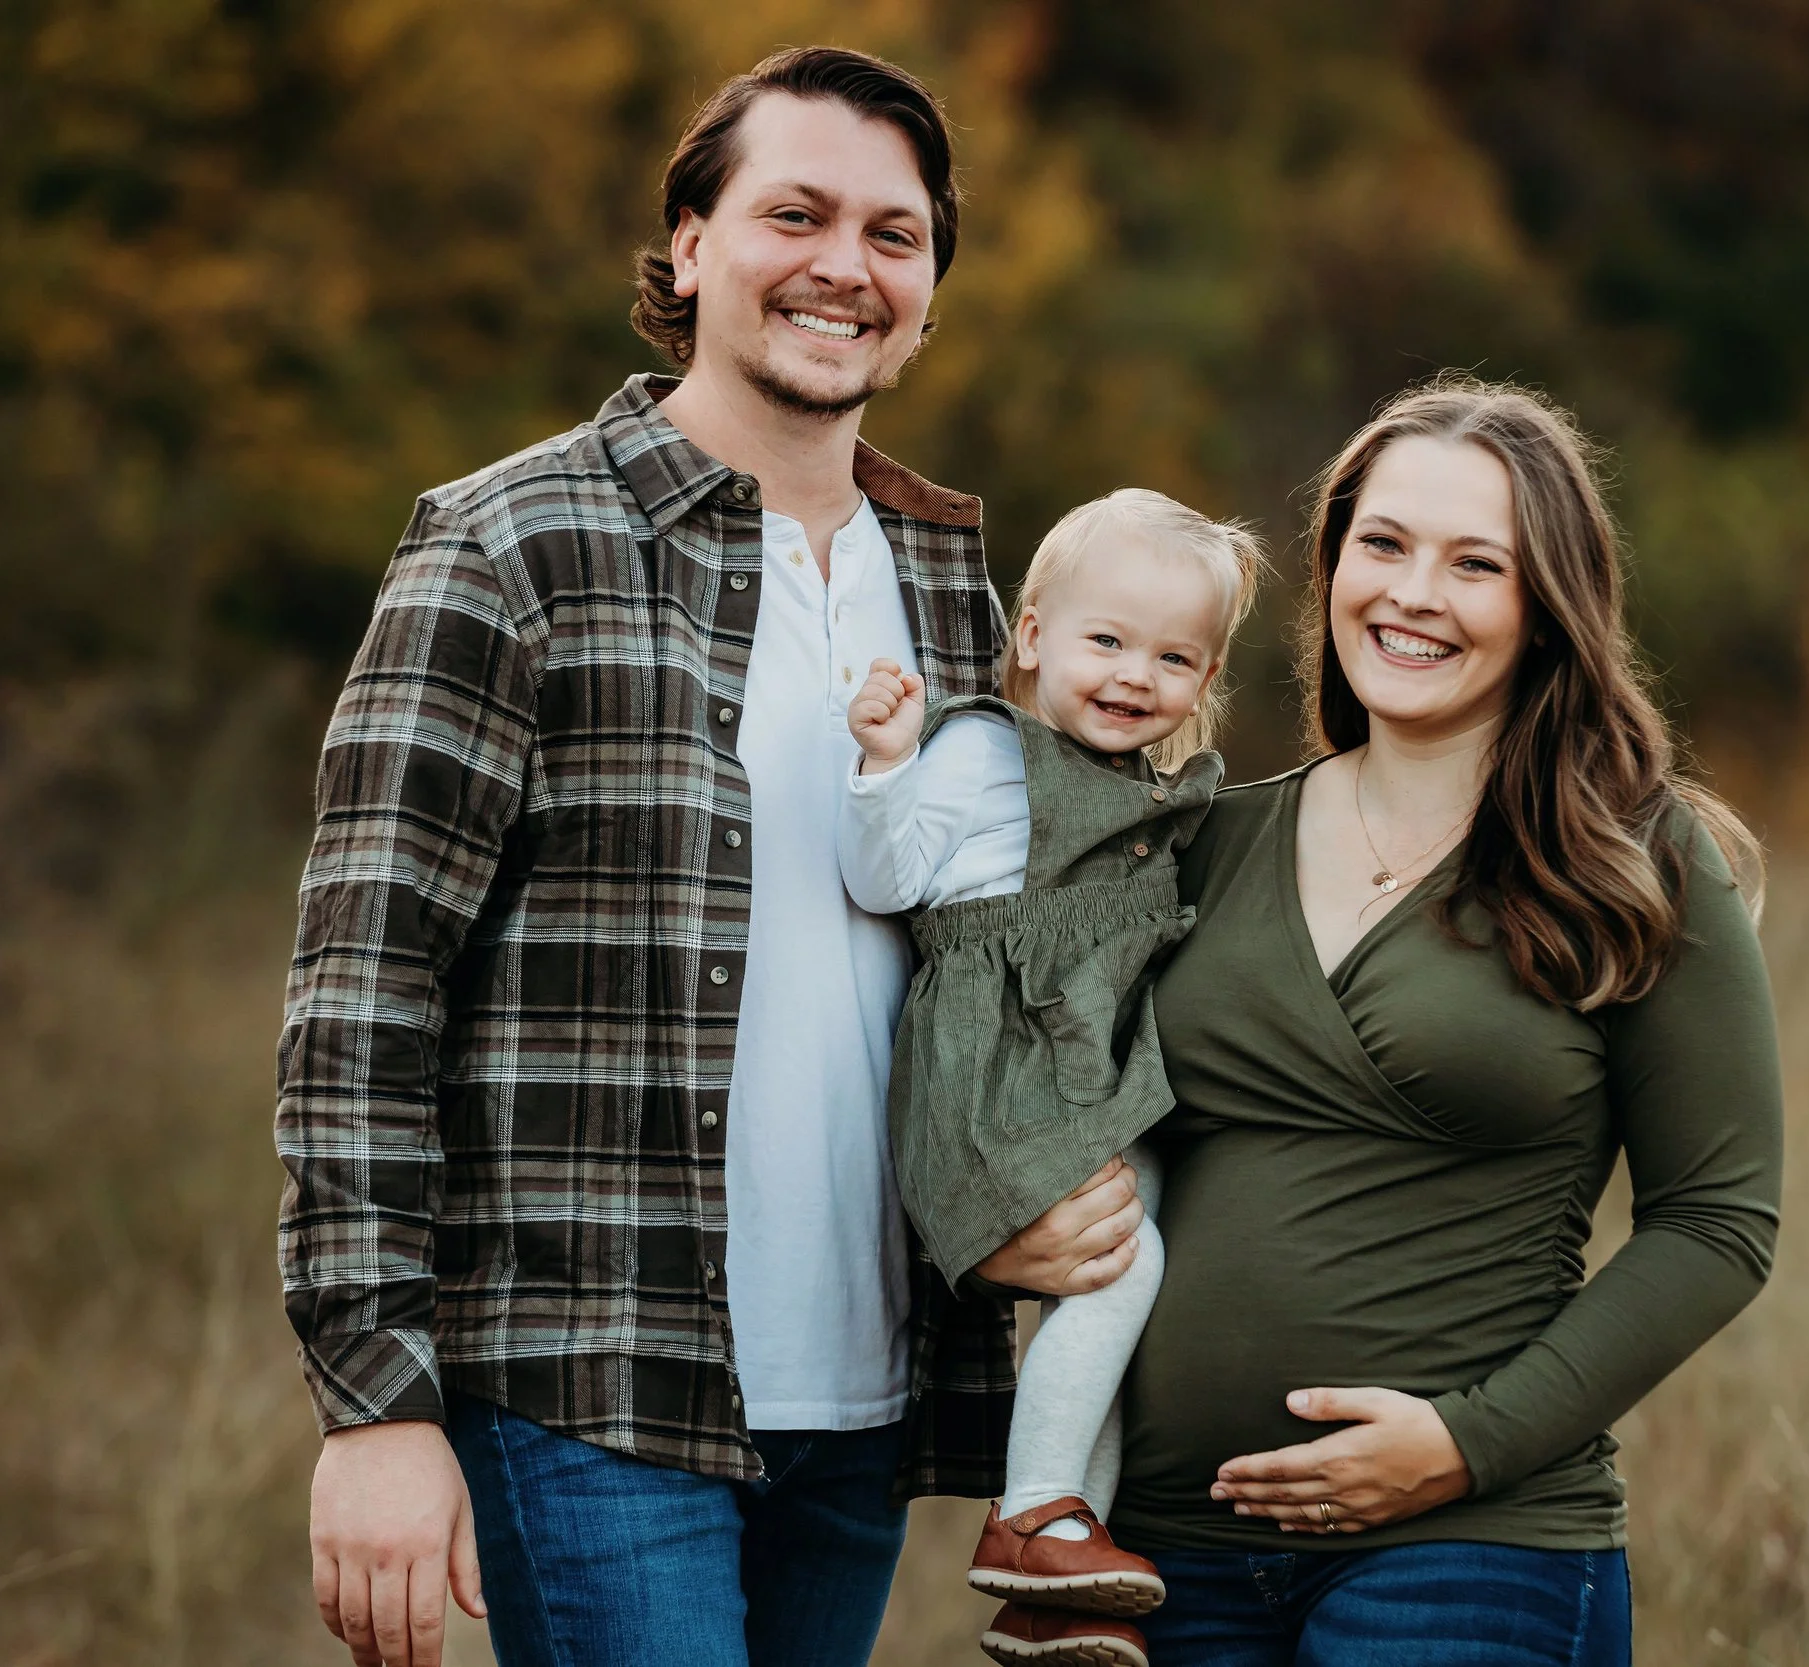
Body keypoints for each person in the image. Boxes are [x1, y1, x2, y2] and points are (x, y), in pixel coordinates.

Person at [274, 47, 1145, 1667]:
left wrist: (1005, 1208)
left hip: (865, 1401)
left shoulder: (965, 593)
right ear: (690, 246)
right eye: (794, 213)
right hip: (591, 1381)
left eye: (895, 235)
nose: (843, 266)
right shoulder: (511, 545)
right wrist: (373, 1405)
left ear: (934, 290)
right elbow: (365, 999)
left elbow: (997, 969)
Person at [1115, 377, 1786, 1666]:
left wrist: (1465, 1441)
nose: (1413, 594)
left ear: (1546, 611)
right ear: (1330, 567)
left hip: (1469, 1547)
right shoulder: (1199, 837)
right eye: (1383, 544)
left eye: (1475, 562)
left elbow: (1719, 1221)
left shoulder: (1635, 860)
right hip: (1163, 1549)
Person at [837, 490, 1263, 1667]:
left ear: (1207, 673)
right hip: (998, 1072)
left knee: (1119, 1304)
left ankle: (1064, 1575)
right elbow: (887, 880)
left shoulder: (1137, 789)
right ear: (1031, 636)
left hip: (1081, 1075)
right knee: (1127, 1261)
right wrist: (882, 766)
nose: (1135, 676)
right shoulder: (986, 752)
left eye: (1172, 657)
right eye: (1107, 641)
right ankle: (1033, 1512)